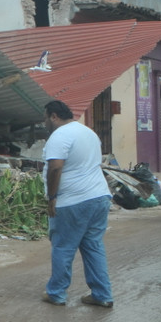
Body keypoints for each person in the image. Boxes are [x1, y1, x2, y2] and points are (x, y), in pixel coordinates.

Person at [41, 99, 114, 308]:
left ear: (54, 116)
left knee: (63, 247)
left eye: (45, 118)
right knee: (93, 246)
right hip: (99, 197)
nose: (45, 123)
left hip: (72, 200)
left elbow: (55, 167)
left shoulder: (59, 135)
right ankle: (102, 295)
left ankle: (56, 293)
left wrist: (52, 198)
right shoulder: (89, 133)